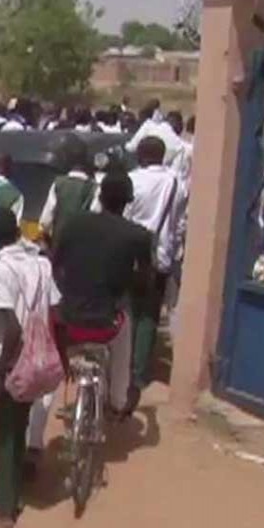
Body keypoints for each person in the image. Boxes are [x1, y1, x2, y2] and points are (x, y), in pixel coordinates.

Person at [0, 207, 60, 528]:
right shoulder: (42, 263)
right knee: (20, 425)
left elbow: (11, 328)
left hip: (10, 358)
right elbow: (55, 308)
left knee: (2, 433)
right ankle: (14, 490)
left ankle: (5, 508)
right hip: (37, 358)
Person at [54, 171, 153, 419]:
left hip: (68, 319)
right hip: (106, 322)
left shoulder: (74, 223)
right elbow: (145, 281)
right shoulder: (138, 235)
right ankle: (118, 400)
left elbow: (55, 263)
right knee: (126, 326)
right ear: (128, 201)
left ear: (100, 195)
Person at [124, 136, 187, 399]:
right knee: (150, 314)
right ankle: (139, 373)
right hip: (160, 256)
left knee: (127, 312)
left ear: (140, 155)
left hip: (129, 256)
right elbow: (181, 222)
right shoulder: (177, 183)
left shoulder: (132, 180)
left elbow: (123, 216)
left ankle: (122, 368)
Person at [38, 139, 98, 247]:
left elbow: (45, 221)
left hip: (59, 245)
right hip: (82, 246)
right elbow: (95, 215)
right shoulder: (94, 187)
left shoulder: (58, 184)